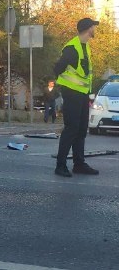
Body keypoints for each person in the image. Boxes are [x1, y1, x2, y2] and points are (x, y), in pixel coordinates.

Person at [53, 17, 100, 177]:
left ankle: (79, 164)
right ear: (88, 29)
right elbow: (58, 67)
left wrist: (89, 94)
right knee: (71, 129)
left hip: (82, 95)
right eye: (94, 27)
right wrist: (63, 86)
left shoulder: (85, 46)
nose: (95, 29)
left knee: (80, 130)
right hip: (72, 94)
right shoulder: (72, 48)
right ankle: (60, 165)